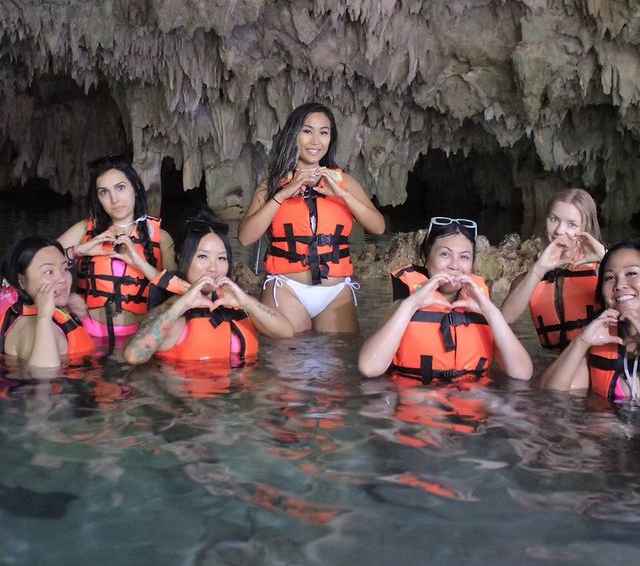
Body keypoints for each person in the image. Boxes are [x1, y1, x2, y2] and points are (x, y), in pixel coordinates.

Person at [238, 102, 385, 333]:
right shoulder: (272, 185)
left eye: (323, 133)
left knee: (338, 359)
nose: (316, 141)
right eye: (307, 131)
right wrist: (283, 194)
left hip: (335, 292)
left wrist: (343, 195)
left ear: (331, 138)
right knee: (289, 358)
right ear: (293, 134)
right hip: (286, 288)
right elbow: (246, 238)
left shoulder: (343, 182)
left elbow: (378, 227)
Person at [358, 217, 533, 382]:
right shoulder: (403, 306)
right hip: (417, 402)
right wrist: (411, 305)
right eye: (444, 254)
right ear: (426, 259)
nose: (454, 265)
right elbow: (368, 368)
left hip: (470, 402)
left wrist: (491, 312)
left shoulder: (484, 312)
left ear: (471, 265)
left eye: (464, 257)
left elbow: (522, 374)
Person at [124, 209, 294, 365]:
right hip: (192, 396)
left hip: (240, 391)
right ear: (182, 259)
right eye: (203, 257)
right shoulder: (170, 310)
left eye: (221, 258)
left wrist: (248, 303)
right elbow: (133, 356)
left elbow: (287, 333)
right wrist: (183, 304)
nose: (213, 268)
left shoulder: (236, 303)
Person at [57, 156, 175, 348]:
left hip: (140, 339)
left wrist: (141, 265)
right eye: (104, 192)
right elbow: (36, 262)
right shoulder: (84, 230)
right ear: (98, 198)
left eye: (120, 187)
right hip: (88, 334)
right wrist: (79, 250)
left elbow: (178, 291)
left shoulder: (161, 237)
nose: (114, 199)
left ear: (135, 188)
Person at [501, 188, 606, 349]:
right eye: (554, 219)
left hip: (594, 360)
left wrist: (605, 258)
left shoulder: (603, 270)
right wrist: (538, 270)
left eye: (572, 224)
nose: (559, 230)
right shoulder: (530, 277)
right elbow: (506, 318)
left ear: (587, 227)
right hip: (553, 360)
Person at [541, 239, 640, 400]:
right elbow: (551, 396)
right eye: (609, 277)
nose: (619, 284)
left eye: (632, 273)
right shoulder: (603, 343)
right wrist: (581, 342)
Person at [0, 236, 94, 367]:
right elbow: (43, 381)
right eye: (49, 271)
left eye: (65, 269)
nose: (62, 278)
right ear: (21, 281)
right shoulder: (28, 328)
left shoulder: (22, 312)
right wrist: (44, 317)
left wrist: (66, 303)